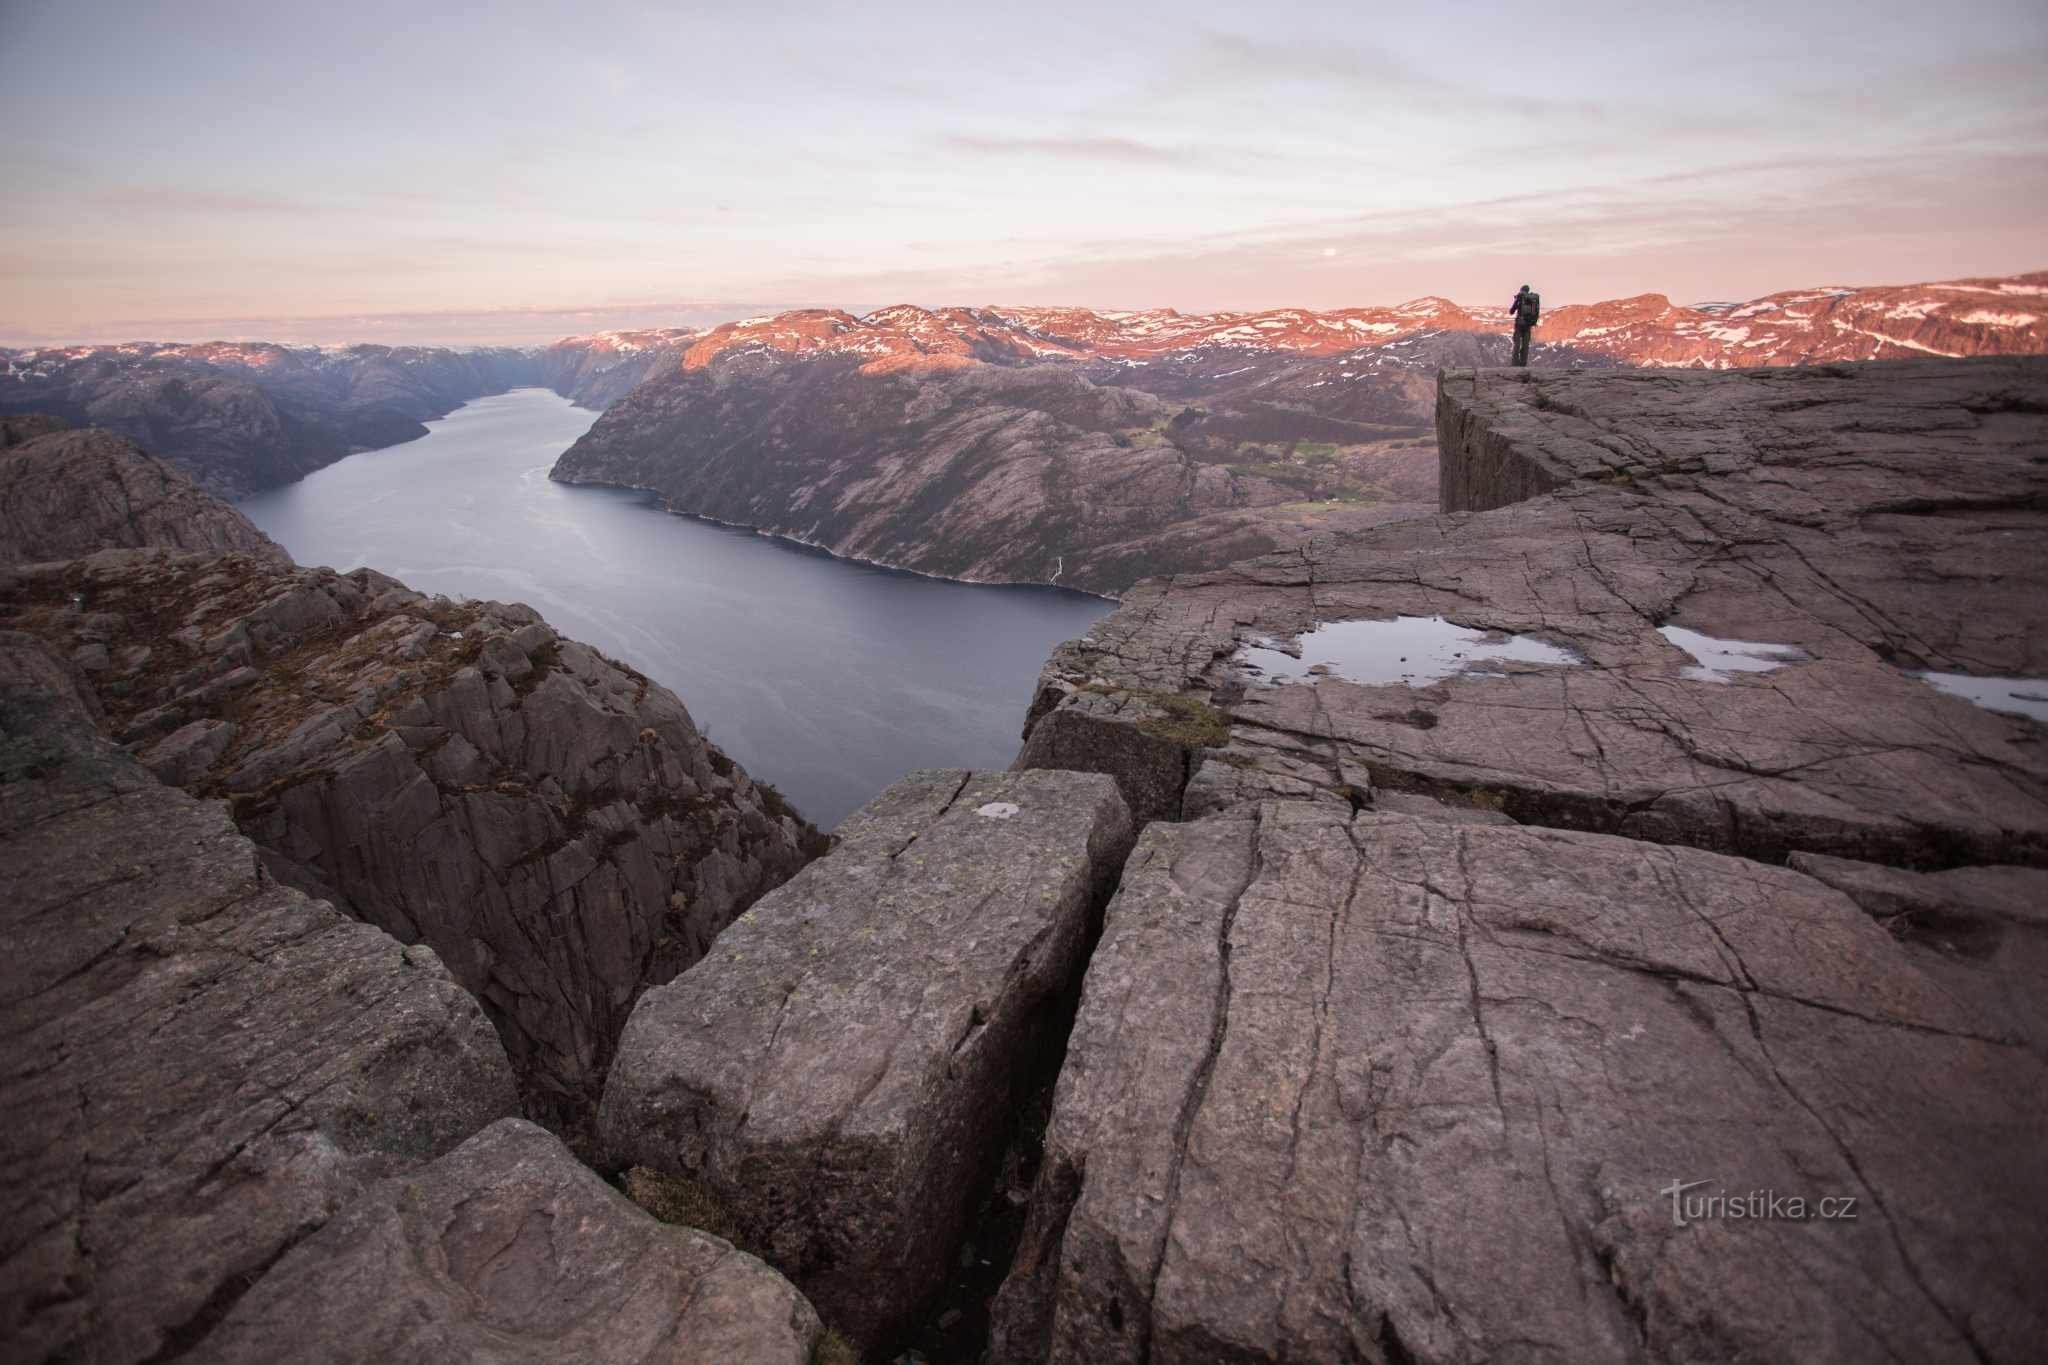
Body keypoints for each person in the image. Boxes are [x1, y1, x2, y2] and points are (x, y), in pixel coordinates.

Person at [1509, 284, 1540, 367]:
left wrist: (1516, 301)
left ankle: (1515, 364)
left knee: (1517, 343)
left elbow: (1511, 311)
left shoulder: (1520, 297)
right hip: (1528, 324)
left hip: (1519, 324)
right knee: (1525, 345)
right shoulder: (1533, 299)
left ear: (1522, 290)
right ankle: (1523, 364)